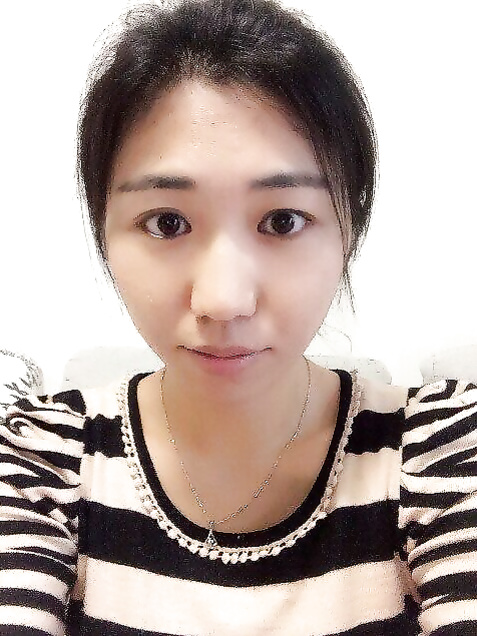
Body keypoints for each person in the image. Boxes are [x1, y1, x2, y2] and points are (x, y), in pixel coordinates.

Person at [1, 0, 476, 634]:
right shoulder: (35, 461)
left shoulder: (446, 449)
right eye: (167, 223)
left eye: (282, 221)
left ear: (349, 228)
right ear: (104, 230)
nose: (224, 300)